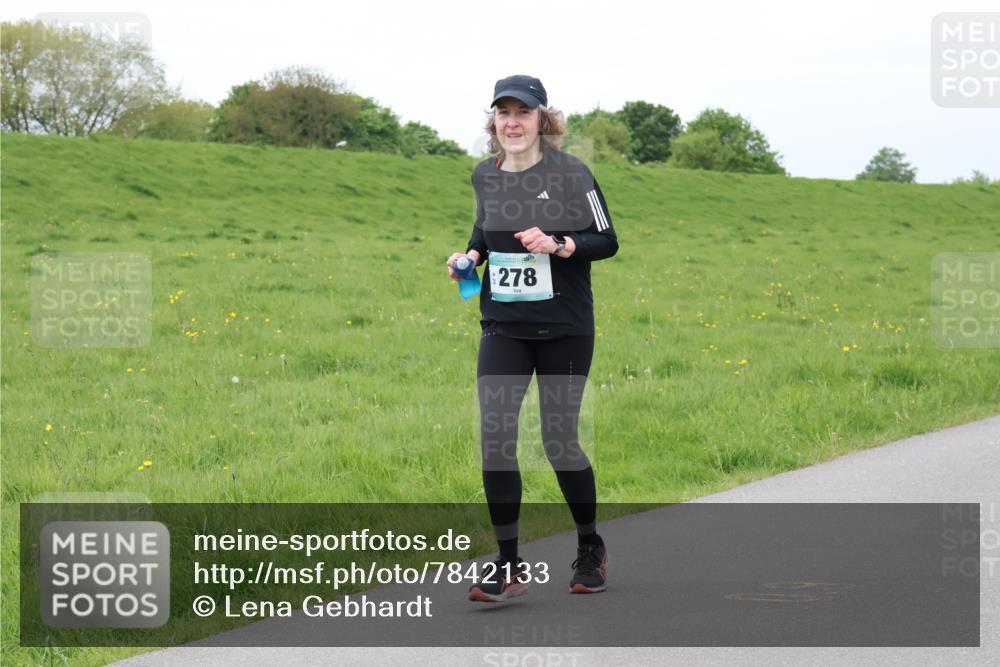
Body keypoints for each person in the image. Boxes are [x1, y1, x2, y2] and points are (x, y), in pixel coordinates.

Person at [446, 75, 619, 603]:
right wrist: (470, 257)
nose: (513, 122)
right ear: (493, 122)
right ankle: (508, 564)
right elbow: (484, 230)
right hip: (504, 324)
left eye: (524, 113)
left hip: (565, 326)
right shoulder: (485, 175)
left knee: (558, 441)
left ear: (543, 120)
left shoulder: (572, 174)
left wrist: (558, 243)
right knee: (496, 439)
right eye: (504, 113)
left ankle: (590, 547)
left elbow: (606, 240)